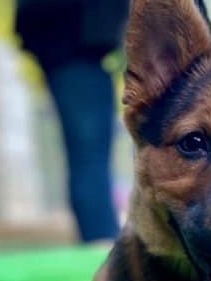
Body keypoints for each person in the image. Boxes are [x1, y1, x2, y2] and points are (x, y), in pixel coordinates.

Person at [16, 0, 129, 244]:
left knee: (90, 161)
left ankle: (103, 249)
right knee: (89, 161)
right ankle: (104, 252)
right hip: (71, 46)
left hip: (76, 47)